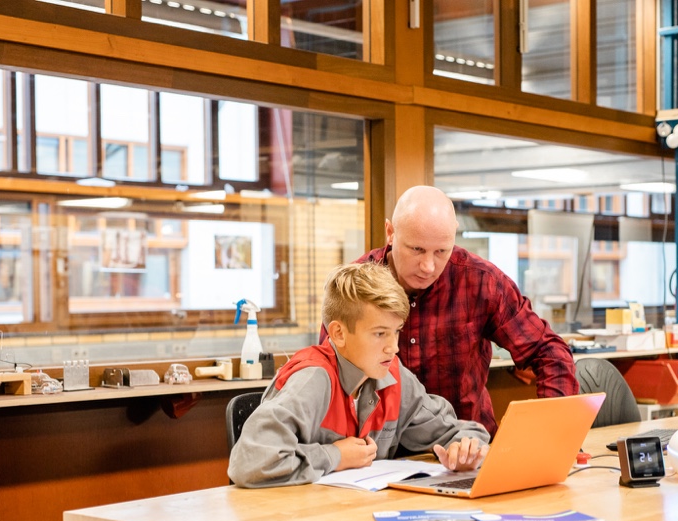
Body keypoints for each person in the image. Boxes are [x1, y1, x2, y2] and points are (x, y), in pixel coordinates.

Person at [335, 185, 578, 436]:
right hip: (381, 452)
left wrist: (553, 431)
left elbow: (549, 351)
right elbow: (332, 370)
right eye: (416, 249)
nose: (428, 266)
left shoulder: (481, 281)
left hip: (467, 444)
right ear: (390, 232)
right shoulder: (355, 289)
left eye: (441, 251)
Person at [229, 262, 490, 488]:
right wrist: (335, 456)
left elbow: (456, 432)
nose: (394, 346)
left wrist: (466, 450)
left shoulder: (393, 375)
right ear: (339, 334)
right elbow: (249, 463)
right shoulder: (313, 379)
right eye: (379, 334)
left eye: (396, 331)